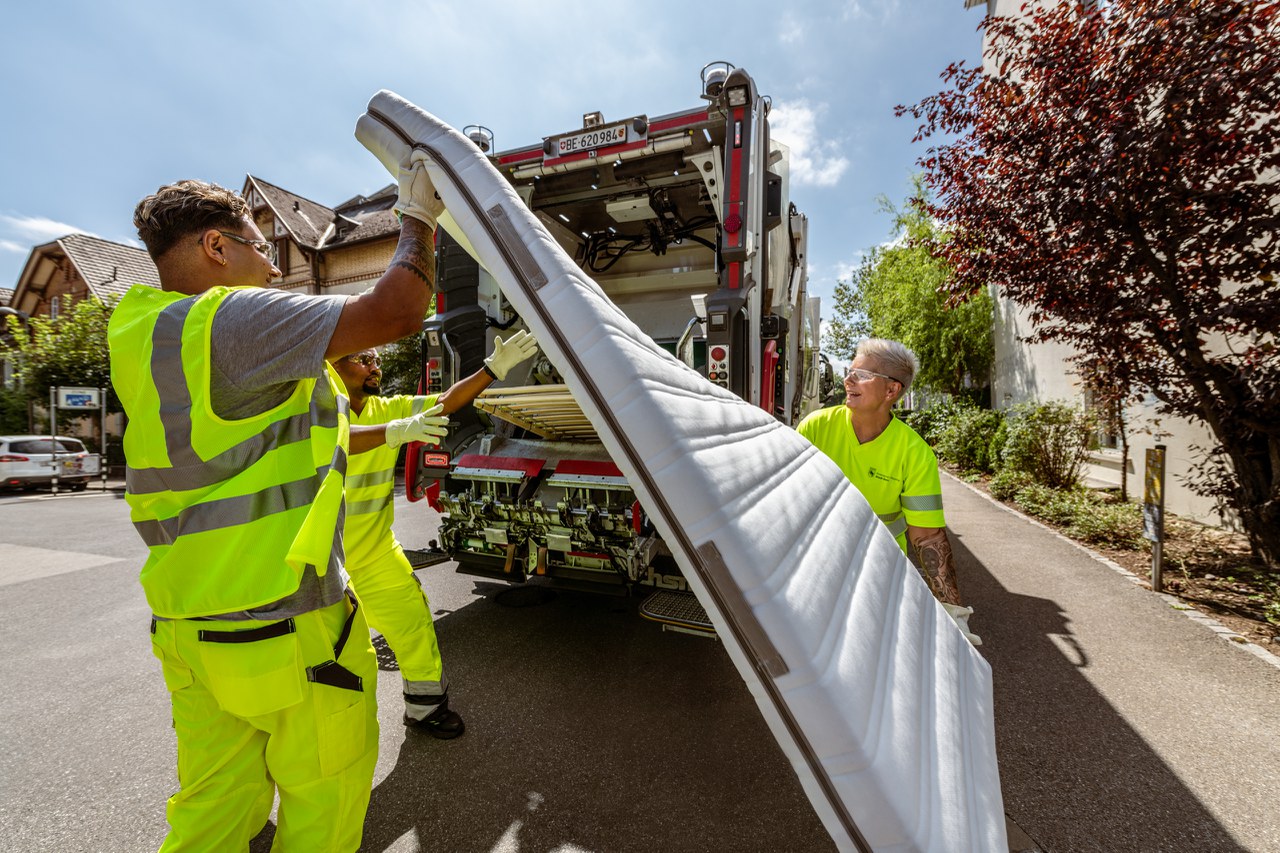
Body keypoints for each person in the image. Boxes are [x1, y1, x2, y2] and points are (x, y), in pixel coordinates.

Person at [108, 150, 451, 851]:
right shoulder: (227, 321)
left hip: (188, 626)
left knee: (214, 813)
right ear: (215, 247)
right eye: (260, 248)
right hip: (284, 625)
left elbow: (273, 448)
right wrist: (419, 216)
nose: (272, 268)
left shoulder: (143, 333)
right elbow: (398, 309)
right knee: (323, 803)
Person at [332, 329, 537, 738]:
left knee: (413, 625)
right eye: (362, 359)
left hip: (372, 553)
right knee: (332, 652)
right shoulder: (313, 411)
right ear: (331, 371)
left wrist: (492, 370)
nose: (375, 366)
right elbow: (329, 441)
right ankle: (331, 740)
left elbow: (447, 402)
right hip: (321, 561)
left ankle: (425, 709)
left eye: (376, 358)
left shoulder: (386, 408)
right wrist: (394, 432)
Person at [796, 338, 981, 646]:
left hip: (879, 567)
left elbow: (928, 536)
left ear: (891, 391)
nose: (848, 380)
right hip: (819, 561)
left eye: (862, 374)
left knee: (867, 646)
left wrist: (952, 610)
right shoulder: (815, 427)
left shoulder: (915, 453)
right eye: (850, 370)